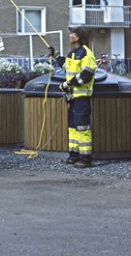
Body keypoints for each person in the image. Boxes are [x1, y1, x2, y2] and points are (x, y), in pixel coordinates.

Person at [48, 27, 97, 168]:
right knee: (73, 128)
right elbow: (67, 66)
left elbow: (86, 76)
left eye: (73, 34)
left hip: (81, 97)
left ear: (80, 37)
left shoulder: (87, 54)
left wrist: (67, 84)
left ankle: (86, 159)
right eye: (70, 34)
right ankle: (74, 156)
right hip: (72, 98)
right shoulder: (73, 53)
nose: (70, 36)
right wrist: (56, 55)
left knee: (82, 128)